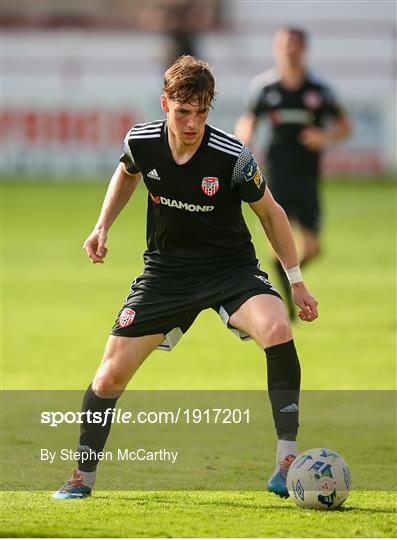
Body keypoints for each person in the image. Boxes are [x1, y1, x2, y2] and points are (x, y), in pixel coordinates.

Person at [53, 55, 318, 501]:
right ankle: (82, 477)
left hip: (230, 270)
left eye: (202, 111)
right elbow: (126, 172)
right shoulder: (142, 141)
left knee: (277, 328)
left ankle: (287, 460)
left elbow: (271, 214)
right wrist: (102, 226)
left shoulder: (232, 156)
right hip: (166, 274)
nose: (192, 122)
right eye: (183, 111)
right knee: (108, 379)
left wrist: (295, 280)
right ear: (165, 104)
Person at [235, 27, 351, 319]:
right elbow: (248, 120)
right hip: (277, 175)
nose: (288, 50)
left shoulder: (318, 90)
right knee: (280, 239)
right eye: (283, 45)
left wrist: (323, 137)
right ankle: (287, 302)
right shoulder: (265, 87)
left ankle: (284, 277)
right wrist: (245, 138)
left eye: (293, 45)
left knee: (312, 248)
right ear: (276, 49)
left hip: (308, 176)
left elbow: (344, 126)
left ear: (303, 49)